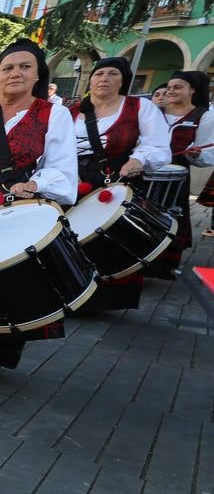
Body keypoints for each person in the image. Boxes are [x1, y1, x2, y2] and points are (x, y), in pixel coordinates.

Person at [0, 38, 78, 369]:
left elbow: (62, 171)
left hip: (15, 214)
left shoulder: (52, 114)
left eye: (24, 67)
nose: (15, 73)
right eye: (7, 67)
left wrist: (35, 184)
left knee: (5, 283)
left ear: (38, 75)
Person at [72, 57, 170, 309]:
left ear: (123, 80)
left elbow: (157, 145)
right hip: (75, 180)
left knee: (110, 240)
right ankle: (71, 292)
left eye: (112, 73)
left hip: (118, 178)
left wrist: (139, 160)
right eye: (99, 73)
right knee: (72, 238)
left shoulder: (140, 108)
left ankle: (104, 298)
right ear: (90, 79)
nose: (104, 78)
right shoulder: (72, 111)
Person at [155, 71, 214, 268]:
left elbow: (207, 156)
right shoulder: (154, 111)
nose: (170, 91)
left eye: (177, 87)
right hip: (142, 174)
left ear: (192, 90)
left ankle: (160, 264)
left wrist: (195, 154)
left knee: (169, 217)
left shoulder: (203, 116)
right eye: (169, 87)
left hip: (176, 179)